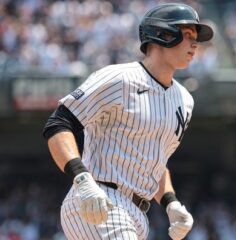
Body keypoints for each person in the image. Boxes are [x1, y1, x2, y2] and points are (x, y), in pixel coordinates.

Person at [42, 3, 214, 240]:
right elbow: (59, 123)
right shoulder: (119, 78)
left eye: (196, 37)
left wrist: (170, 203)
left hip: (137, 213)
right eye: (187, 35)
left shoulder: (184, 100)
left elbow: (153, 160)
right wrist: (81, 178)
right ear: (162, 35)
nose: (195, 43)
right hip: (98, 198)